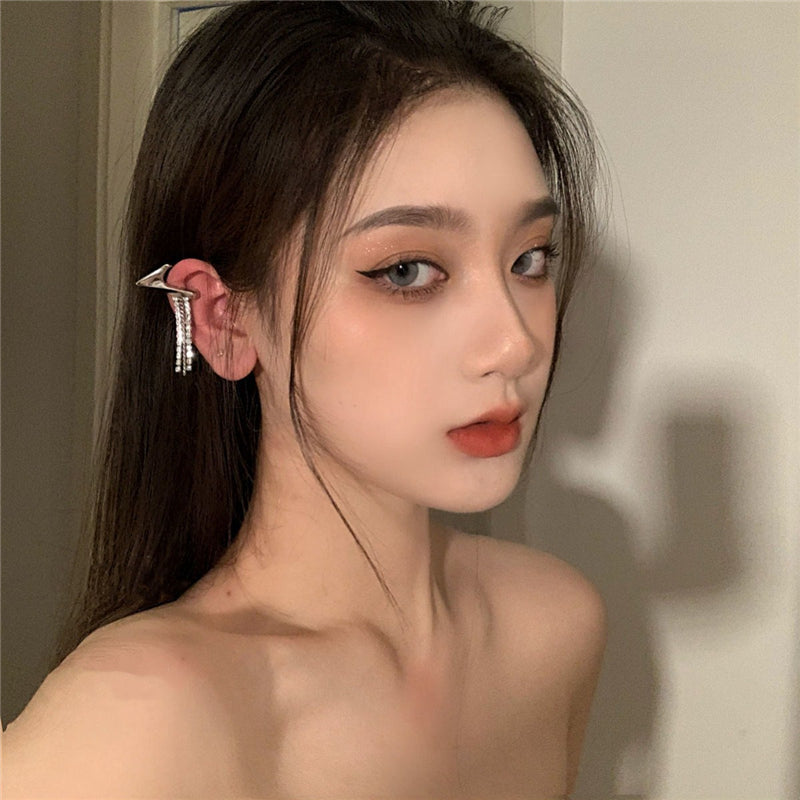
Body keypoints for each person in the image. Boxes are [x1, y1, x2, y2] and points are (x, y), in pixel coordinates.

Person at [2, 2, 606, 796]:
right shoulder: (141, 718)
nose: (516, 345)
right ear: (223, 318)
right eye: (406, 271)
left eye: (531, 258)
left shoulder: (553, 626)